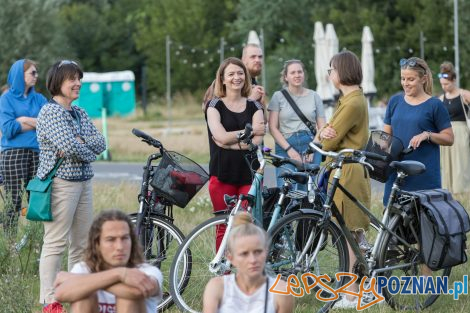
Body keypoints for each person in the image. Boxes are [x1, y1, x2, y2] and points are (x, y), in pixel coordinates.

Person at [37, 60, 106, 312]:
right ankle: (50, 300)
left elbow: (101, 142)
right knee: (55, 242)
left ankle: (76, 293)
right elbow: (69, 147)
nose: (78, 83)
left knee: (81, 244)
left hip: (84, 182)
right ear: (58, 83)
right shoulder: (50, 112)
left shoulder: (79, 112)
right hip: (60, 184)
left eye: (79, 78)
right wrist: (83, 146)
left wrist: (82, 144)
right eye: (72, 79)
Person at [317, 51, 370, 308]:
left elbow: (328, 139)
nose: (329, 74)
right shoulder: (348, 99)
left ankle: (351, 293)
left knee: (347, 233)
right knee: (350, 233)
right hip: (342, 169)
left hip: (347, 172)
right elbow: (326, 133)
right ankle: (360, 287)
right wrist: (325, 131)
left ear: (342, 71)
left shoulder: (351, 103)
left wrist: (325, 133)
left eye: (332, 69)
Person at [205, 57, 264, 249]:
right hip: (222, 175)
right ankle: (224, 273)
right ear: (222, 79)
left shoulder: (255, 106)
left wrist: (229, 143)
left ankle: (243, 270)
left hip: (249, 174)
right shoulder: (214, 106)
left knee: (245, 225)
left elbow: (256, 142)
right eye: (231, 74)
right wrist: (249, 131)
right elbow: (220, 136)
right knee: (224, 225)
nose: (236, 77)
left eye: (240, 73)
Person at [54, 210, 163, 313]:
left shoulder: (147, 271)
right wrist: (120, 274)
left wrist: (77, 280)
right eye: (111, 239)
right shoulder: (84, 268)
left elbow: (136, 292)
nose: (119, 247)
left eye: (125, 238)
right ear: (97, 244)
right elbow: (60, 294)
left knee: (128, 299)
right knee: (83, 298)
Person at [382, 57, 453, 204]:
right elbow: (386, 138)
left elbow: (449, 138)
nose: (405, 83)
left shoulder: (435, 105)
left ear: (424, 79)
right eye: (403, 78)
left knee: (421, 222)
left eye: (411, 79)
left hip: (423, 176)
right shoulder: (394, 101)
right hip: (396, 174)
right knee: (391, 223)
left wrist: (427, 135)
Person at [202, 212, 294, 313]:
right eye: (244, 254)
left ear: (266, 252)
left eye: (258, 252)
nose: (253, 260)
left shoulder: (281, 291)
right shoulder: (218, 287)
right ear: (231, 258)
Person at [0, 59, 47, 234]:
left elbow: (48, 123)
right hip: (13, 155)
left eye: (36, 72)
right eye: (32, 73)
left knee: (37, 201)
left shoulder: (39, 98)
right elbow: (8, 129)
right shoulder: (6, 99)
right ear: (20, 75)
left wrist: (23, 119)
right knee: (14, 201)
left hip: (38, 154)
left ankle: (36, 243)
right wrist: (36, 123)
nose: (36, 76)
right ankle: (10, 246)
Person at [268, 59, 326, 188]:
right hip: (285, 145)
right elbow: (272, 127)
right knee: (286, 189)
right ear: (286, 77)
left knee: (308, 191)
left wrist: (313, 148)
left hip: (310, 144)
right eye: (293, 72)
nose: (297, 75)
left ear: (304, 74)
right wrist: (290, 150)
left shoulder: (314, 96)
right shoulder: (278, 96)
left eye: (300, 72)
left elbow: (322, 127)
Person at [437, 61, 470, 195]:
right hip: (446, 132)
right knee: (446, 165)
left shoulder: (464, 95)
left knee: (461, 164)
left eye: (447, 84)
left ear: (454, 80)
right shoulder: (441, 98)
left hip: (461, 132)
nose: (444, 87)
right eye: (442, 84)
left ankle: (463, 192)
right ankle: (448, 191)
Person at [203, 43, 266, 111]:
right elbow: (208, 110)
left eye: (260, 57)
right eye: (253, 57)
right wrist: (250, 100)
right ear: (243, 60)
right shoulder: (226, 82)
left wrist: (262, 105)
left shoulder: (255, 85)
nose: (257, 60)